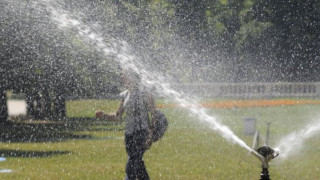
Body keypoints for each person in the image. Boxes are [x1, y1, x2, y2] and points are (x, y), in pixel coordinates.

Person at [96, 71, 156, 180]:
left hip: (142, 132)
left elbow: (154, 115)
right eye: (122, 75)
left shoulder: (145, 92)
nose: (123, 77)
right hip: (129, 135)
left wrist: (150, 135)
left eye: (125, 75)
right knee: (138, 164)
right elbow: (117, 116)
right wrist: (104, 115)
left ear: (133, 76)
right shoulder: (125, 95)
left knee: (132, 164)